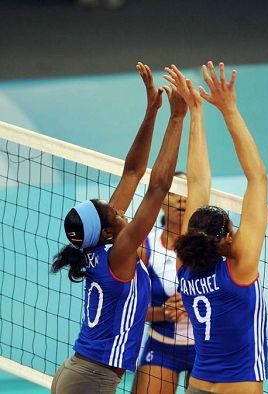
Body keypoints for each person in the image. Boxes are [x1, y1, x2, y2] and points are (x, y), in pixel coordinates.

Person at [50, 62, 188, 394]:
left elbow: (132, 172)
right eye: (112, 211)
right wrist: (176, 119)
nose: (117, 208)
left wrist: (151, 112)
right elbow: (157, 187)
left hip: (83, 372)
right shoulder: (120, 255)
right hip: (90, 379)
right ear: (109, 231)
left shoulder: (101, 246)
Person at [164, 61, 268, 394]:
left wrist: (196, 113)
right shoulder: (240, 267)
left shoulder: (185, 266)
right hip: (237, 386)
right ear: (226, 237)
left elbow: (197, 182)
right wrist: (230, 110)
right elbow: (257, 178)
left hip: (198, 383)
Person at [132, 172, 196, 394]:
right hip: (161, 347)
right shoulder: (144, 247)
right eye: (174, 192)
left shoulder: (211, 247)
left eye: (187, 192)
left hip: (207, 350)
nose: (181, 198)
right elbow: (129, 309)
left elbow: (231, 304)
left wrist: (194, 306)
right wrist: (164, 312)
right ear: (160, 202)